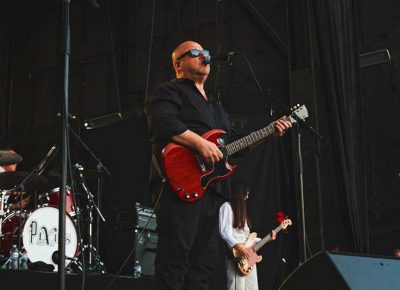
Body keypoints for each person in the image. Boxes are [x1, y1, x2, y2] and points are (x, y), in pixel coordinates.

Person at [145, 40, 291, 290]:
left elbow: (235, 146)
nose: (204, 57)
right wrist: (201, 145)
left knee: (203, 265)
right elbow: (161, 121)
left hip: (212, 193)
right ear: (177, 63)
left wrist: (269, 132)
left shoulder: (216, 107)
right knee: (175, 259)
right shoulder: (170, 91)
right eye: (195, 53)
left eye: (206, 53)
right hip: (180, 184)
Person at [219, 182, 276, 290]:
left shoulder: (243, 215)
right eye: (246, 194)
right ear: (240, 195)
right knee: (237, 287)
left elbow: (249, 239)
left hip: (248, 257)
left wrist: (268, 239)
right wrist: (237, 246)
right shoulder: (227, 207)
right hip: (236, 254)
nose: (247, 197)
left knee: (252, 287)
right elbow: (225, 232)